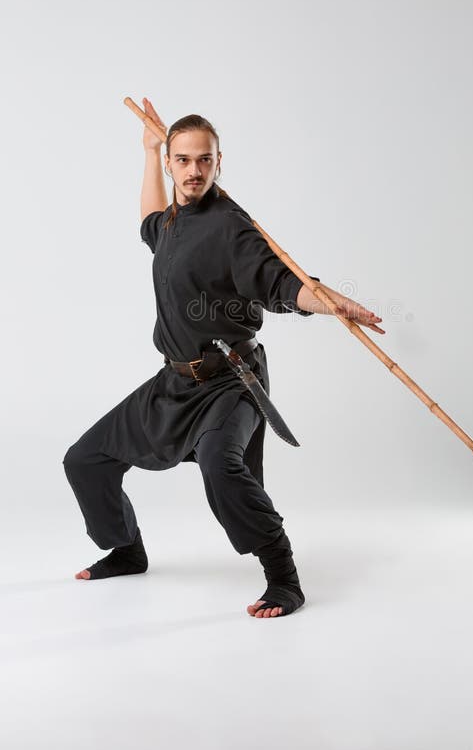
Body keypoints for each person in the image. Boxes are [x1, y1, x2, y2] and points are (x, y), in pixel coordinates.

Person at [62, 98, 384, 618]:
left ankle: (283, 576)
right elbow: (148, 219)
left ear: (218, 163)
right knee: (85, 459)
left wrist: (330, 301)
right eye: (183, 160)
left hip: (231, 382)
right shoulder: (171, 222)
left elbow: (281, 282)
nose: (194, 171)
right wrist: (148, 150)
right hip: (173, 385)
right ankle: (125, 549)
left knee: (221, 464)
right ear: (172, 163)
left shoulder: (231, 226)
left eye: (204, 160)